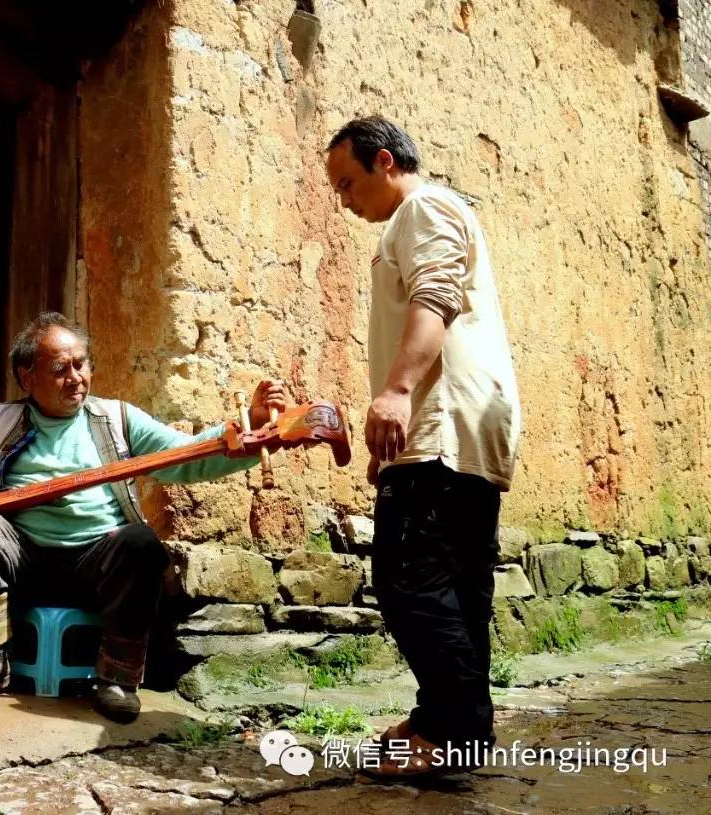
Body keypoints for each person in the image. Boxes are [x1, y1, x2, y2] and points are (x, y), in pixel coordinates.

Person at [0, 312, 288, 723]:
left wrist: (254, 426)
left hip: (97, 565)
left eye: (81, 364)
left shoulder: (117, 420)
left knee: (140, 543)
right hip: (19, 565)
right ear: (27, 378)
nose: (76, 378)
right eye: (59, 369)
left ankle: (117, 679)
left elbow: (185, 457)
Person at [324, 116, 521, 778]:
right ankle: (450, 719)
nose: (344, 201)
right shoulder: (431, 214)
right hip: (465, 425)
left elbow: (436, 295)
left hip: (443, 422)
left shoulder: (421, 209)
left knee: (407, 580)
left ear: (385, 162)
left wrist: (399, 390)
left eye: (348, 183)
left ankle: (453, 726)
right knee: (458, 588)